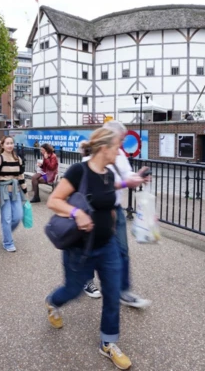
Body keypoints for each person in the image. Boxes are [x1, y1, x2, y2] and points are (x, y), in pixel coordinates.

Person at [45, 128, 131, 370]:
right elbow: (54, 201)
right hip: (79, 249)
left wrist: (112, 229)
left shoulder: (109, 174)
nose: (119, 151)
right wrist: (77, 213)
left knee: (112, 294)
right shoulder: (78, 171)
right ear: (104, 148)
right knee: (73, 290)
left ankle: (108, 343)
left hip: (107, 246)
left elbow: (110, 205)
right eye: (116, 146)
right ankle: (52, 301)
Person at [80, 122, 151, 309]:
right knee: (91, 250)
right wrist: (127, 183)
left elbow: (125, 175)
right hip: (94, 212)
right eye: (121, 138)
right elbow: (98, 187)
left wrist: (138, 177)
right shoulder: (93, 157)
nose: (123, 142)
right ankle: (86, 280)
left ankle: (123, 291)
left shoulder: (119, 154)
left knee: (122, 251)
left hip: (115, 208)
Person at [0, 135, 28, 252]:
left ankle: (6, 233)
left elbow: (21, 177)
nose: (10, 145)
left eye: (11, 143)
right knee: (6, 218)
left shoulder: (18, 159)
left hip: (16, 191)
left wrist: (25, 192)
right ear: (2, 145)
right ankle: (8, 242)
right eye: (7, 143)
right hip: (3, 191)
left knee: (18, 216)